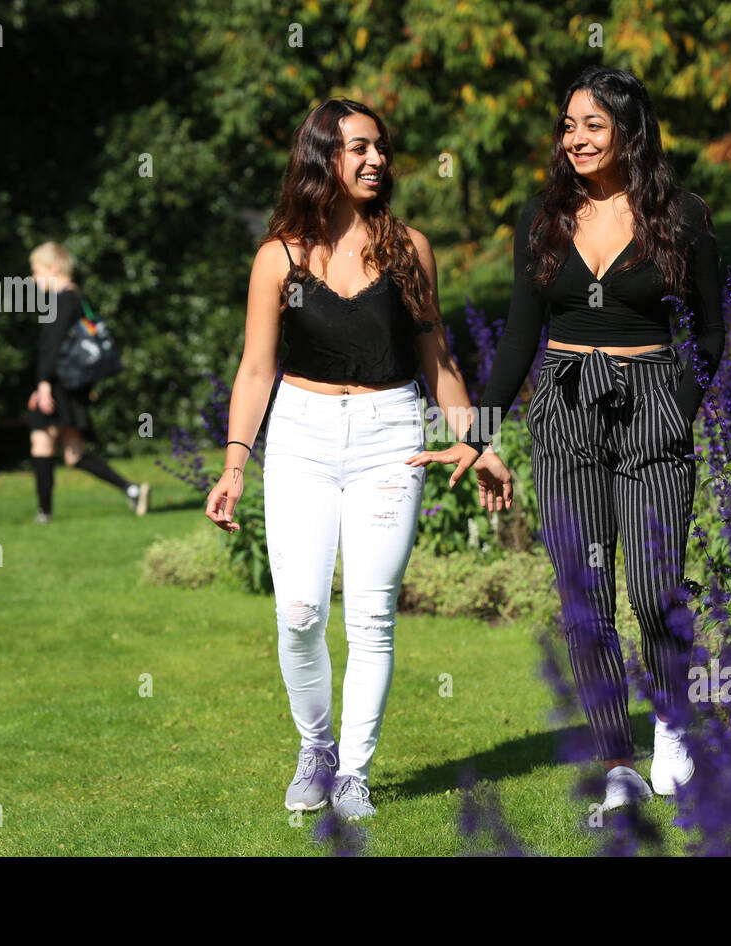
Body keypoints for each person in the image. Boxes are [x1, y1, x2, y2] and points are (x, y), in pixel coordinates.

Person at [410, 67, 726, 811]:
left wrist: (676, 407)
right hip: (564, 409)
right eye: (568, 125)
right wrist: (478, 433)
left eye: (593, 124)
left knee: (654, 591)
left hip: (651, 401)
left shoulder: (681, 214)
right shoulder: (543, 215)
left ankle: (673, 728)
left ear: (628, 130)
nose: (576, 138)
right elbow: (519, 335)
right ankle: (617, 760)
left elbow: (710, 332)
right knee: (583, 598)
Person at [204, 99, 512, 822]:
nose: (376, 160)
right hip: (302, 436)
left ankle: (356, 775)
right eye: (358, 149)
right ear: (322, 160)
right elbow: (255, 370)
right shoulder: (277, 258)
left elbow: (438, 361)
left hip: (389, 433)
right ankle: (317, 749)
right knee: (300, 613)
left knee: (372, 618)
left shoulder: (411, 248)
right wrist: (234, 465)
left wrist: (481, 440)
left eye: (380, 148)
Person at [26, 242, 150, 522]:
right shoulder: (78, 298)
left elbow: (52, 346)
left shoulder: (62, 299)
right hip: (72, 387)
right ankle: (131, 490)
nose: (34, 279)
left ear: (54, 268)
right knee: (73, 455)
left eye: (36, 271)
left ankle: (44, 513)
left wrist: (43, 385)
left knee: (41, 443)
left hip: (57, 386)